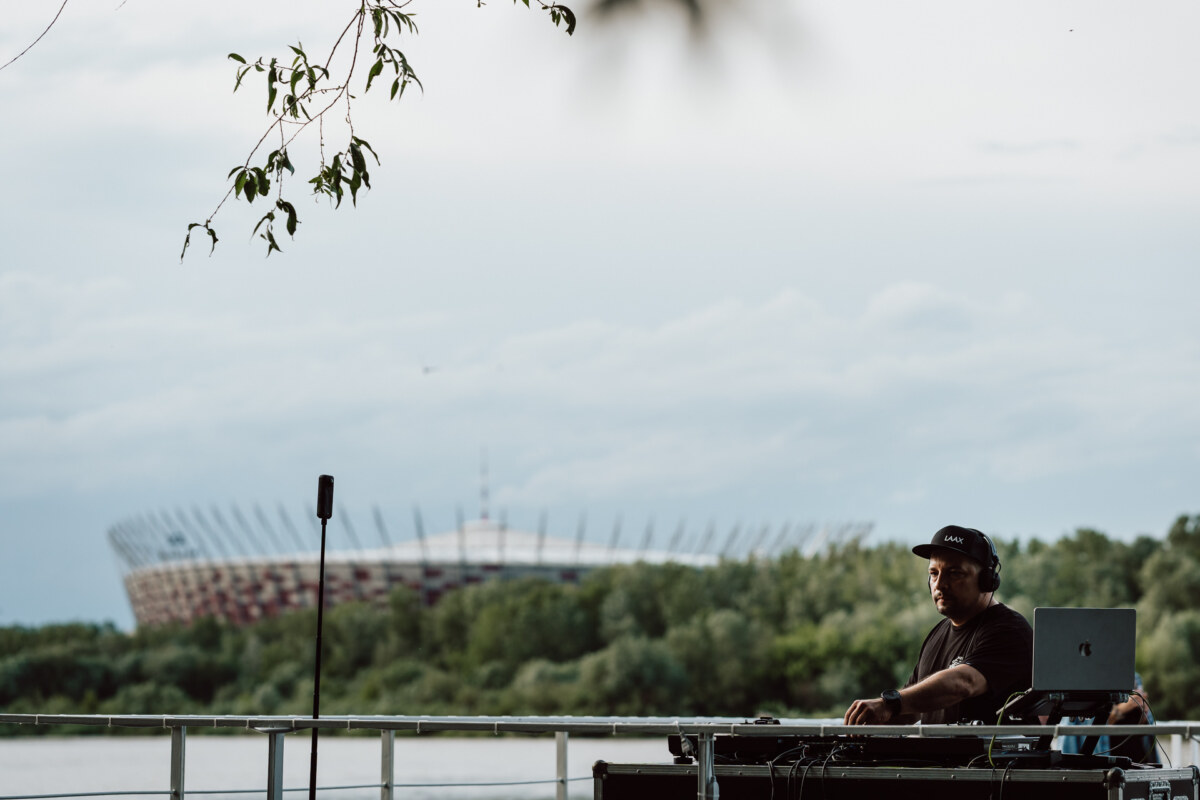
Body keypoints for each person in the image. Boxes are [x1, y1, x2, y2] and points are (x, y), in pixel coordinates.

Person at [843, 525, 1033, 725]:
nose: (940, 584)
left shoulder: (1009, 630)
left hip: (985, 757)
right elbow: (911, 707)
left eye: (955, 573)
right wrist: (869, 720)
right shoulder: (937, 634)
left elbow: (963, 683)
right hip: (935, 757)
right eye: (934, 573)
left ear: (987, 580)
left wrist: (889, 704)